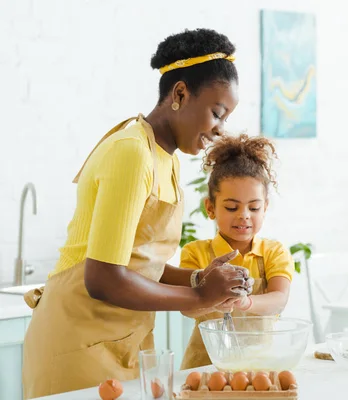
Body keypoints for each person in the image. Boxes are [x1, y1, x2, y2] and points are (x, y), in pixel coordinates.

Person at [21, 28, 252, 399]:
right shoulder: (132, 151)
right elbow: (103, 278)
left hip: (125, 340)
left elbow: (141, 264)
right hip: (78, 341)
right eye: (217, 113)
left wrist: (197, 280)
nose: (220, 130)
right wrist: (199, 298)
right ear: (179, 93)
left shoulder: (168, 160)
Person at [178, 134, 294, 369]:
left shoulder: (274, 252)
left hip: (260, 366)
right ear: (210, 207)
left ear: (265, 208)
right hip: (204, 367)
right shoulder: (195, 252)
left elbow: (279, 300)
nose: (244, 215)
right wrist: (211, 301)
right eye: (232, 207)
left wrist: (246, 303)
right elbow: (187, 308)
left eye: (254, 207)